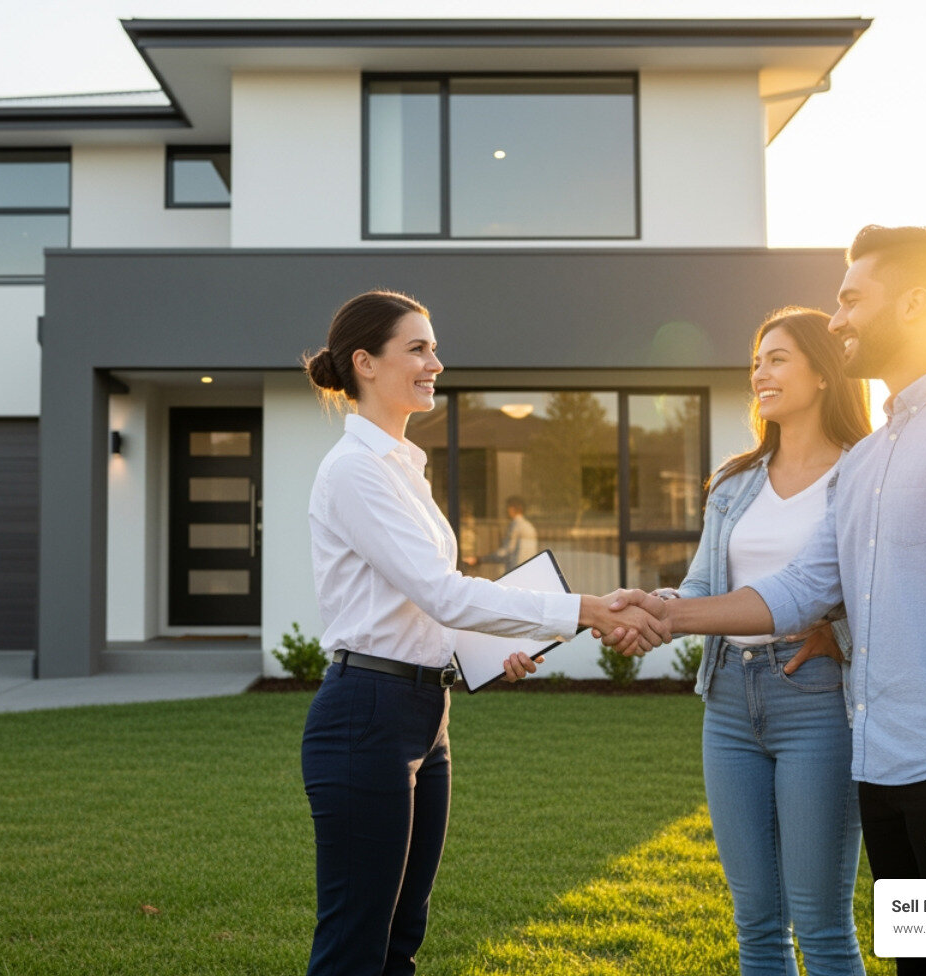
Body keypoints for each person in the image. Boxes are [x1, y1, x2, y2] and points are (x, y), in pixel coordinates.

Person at [605, 226, 926, 976]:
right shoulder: (875, 457)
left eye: (852, 299)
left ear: (914, 303)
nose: (838, 318)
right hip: (886, 766)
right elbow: (801, 589)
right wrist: (669, 612)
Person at [300, 289, 665, 976]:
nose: (435, 363)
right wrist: (588, 609)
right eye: (417, 348)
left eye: (433, 348)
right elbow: (442, 591)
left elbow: (427, 607)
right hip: (366, 718)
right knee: (356, 944)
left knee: (401, 936)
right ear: (365, 363)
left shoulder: (405, 467)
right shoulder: (355, 470)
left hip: (423, 713)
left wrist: (489, 654)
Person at [675, 306, 872, 975]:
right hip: (729, 699)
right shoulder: (735, 481)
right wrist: (650, 608)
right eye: (757, 360)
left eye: (778, 358)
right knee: (756, 922)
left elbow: (891, 588)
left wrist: (839, 633)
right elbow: (701, 586)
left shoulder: (863, 474)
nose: (760, 372)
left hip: (817, 700)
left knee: (821, 924)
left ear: (824, 373)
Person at [463, 496, 539, 570]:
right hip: (528, 570)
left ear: (511, 509)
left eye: (506, 508)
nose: (505, 511)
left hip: (516, 571)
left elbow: (505, 553)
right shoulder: (530, 526)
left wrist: (479, 560)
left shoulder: (515, 526)